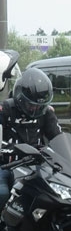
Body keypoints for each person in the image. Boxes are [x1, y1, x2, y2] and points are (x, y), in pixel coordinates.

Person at [0, 67, 62, 208]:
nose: (35, 109)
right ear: (20, 97)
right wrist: (15, 149)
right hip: (6, 165)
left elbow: (58, 137)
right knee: (2, 193)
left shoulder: (46, 112)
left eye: (39, 105)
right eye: (31, 104)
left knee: (56, 196)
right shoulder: (5, 110)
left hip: (38, 165)